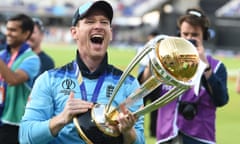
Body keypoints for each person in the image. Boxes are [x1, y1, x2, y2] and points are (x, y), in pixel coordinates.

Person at [19, 1, 145, 144]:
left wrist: (128, 132)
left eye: (104, 22)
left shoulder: (128, 84)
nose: (98, 26)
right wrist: (62, 119)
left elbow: (140, 140)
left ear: (110, 33)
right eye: (90, 21)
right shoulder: (49, 79)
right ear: (74, 32)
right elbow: (26, 136)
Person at [156, 8, 229, 144]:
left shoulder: (217, 66)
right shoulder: (166, 64)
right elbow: (144, 94)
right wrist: (152, 61)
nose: (189, 39)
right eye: (185, 34)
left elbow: (221, 100)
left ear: (204, 36)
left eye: (194, 35)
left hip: (200, 138)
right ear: (179, 35)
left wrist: (205, 66)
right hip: (166, 137)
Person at [0, 14, 40, 143]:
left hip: (15, 123)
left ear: (26, 33)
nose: (8, 33)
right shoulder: (2, 55)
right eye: (8, 29)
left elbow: (13, 80)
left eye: (13, 30)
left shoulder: (32, 59)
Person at [137, 29, 160, 137]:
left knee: (155, 109)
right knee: (138, 109)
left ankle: (153, 132)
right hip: (144, 83)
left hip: (156, 83)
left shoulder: (160, 51)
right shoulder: (143, 49)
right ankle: (136, 129)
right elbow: (144, 67)